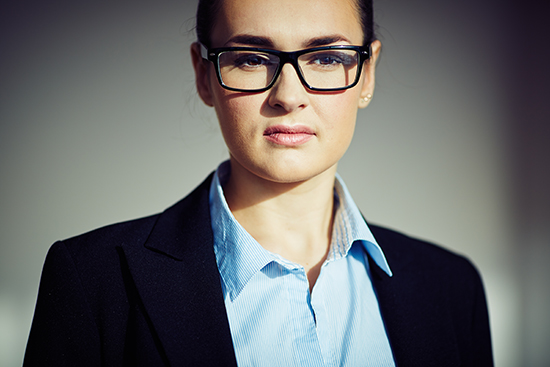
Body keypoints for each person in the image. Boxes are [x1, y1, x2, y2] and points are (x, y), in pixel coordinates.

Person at [24, 0, 493, 366]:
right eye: (250, 59)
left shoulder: (451, 288)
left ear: (366, 73)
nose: (289, 95)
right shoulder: (93, 282)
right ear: (204, 75)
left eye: (327, 57)